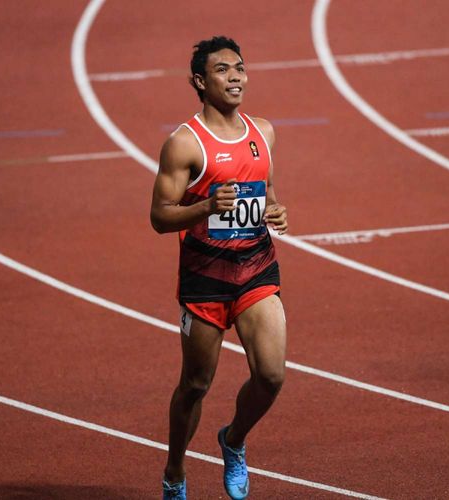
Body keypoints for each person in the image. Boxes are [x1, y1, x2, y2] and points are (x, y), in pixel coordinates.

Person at [150, 35, 288, 500]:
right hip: (205, 278)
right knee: (195, 385)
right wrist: (206, 207)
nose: (235, 77)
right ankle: (174, 472)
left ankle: (233, 441)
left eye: (240, 68)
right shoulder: (185, 144)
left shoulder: (263, 132)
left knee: (270, 375)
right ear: (199, 81)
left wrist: (276, 211)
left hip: (256, 269)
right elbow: (159, 216)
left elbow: (265, 191)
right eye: (223, 70)